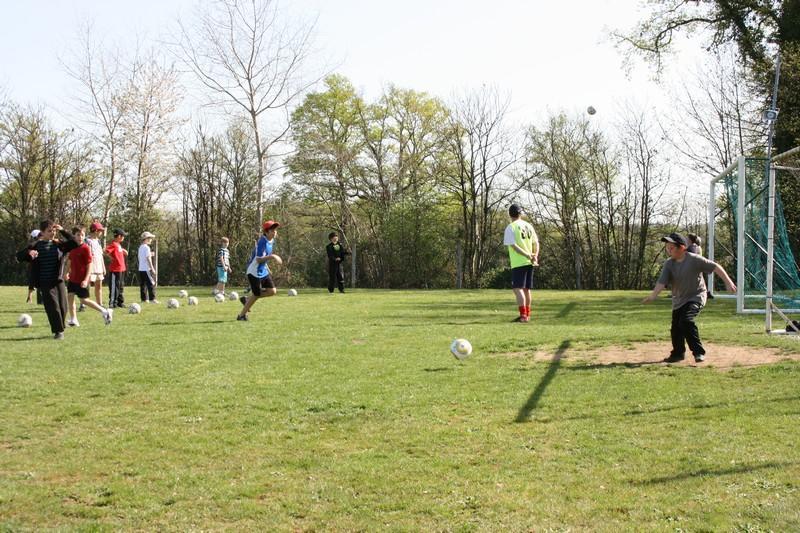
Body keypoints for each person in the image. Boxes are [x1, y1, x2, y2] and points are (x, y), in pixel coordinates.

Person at [642, 232, 736, 363]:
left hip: (696, 296)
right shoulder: (669, 264)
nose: (668, 250)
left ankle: (698, 352)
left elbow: (716, 267)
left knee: (686, 321)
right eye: (667, 247)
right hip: (679, 299)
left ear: (682, 247)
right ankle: (678, 354)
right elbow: (662, 282)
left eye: (671, 247)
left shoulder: (694, 259)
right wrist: (653, 296)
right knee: (676, 328)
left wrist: (729, 282)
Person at [15, 221, 81, 340]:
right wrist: (29, 252)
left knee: (63, 307)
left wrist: (63, 230)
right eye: (49, 231)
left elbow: (75, 243)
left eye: (54, 231)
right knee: (53, 307)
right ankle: (58, 332)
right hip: (45, 282)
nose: (52, 233)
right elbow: (18, 257)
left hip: (58, 281)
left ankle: (60, 327)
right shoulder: (36, 245)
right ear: (42, 232)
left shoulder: (58, 244)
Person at [65, 225, 113, 327]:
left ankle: (104, 311)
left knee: (84, 300)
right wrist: (66, 273)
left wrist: (86, 279)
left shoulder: (86, 248)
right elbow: (69, 261)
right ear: (74, 236)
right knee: (70, 297)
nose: (80, 237)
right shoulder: (72, 248)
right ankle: (74, 319)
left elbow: (89, 265)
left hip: (82, 280)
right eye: (78, 235)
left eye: (82, 235)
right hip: (72, 279)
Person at [237, 220, 282, 321]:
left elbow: (264, 257)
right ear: (266, 232)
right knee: (256, 294)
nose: (275, 232)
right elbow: (258, 259)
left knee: (272, 291)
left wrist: (267, 268)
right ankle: (241, 316)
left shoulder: (271, 241)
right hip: (254, 272)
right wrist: (273, 256)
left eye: (275, 230)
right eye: (272, 230)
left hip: (262, 271)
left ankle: (247, 299)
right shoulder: (262, 242)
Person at [503, 204, 539, 322]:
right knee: (526, 289)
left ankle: (523, 315)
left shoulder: (511, 227)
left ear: (510, 214)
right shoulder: (528, 225)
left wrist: (527, 255)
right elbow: (536, 243)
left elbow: (513, 246)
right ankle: (527, 315)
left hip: (519, 262)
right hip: (530, 262)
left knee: (517, 288)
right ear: (520, 213)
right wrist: (535, 255)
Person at [105, 228, 128, 308]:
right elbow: (106, 251)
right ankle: (113, 303)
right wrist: (111, 258)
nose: (123, 237)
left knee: (120, 287)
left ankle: (120, 302)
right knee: (115, 287)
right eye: (123, 236)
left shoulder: (118, 245)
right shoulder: (113, 244)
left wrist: (123, 250)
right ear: (119, 236)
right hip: (115, 270)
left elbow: (121, 252)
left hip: (121, 269)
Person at [85, 221, 107, 306]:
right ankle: (84, 303)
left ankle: (99, 303)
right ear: (96, 231)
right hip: (91, 267)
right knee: (87, 285)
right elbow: (87, 255)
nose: (101, 232)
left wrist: (103, 267)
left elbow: (100, 255)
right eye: (100, 230)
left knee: (99, 285)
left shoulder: (98, 241)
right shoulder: (87, 241)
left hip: (99, 267)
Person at [138, 231, 159, 304]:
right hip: (146, 269)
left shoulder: (141, 247)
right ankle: (152, 299)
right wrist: (152, 269)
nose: (151, 240)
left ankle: (143, 299)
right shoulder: (147, 248)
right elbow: (148, 259)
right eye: (150, 238)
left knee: (143, 285)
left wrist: (150, 254)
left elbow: (142, 257)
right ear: (146, 239)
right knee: (151, 283)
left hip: (141, 269)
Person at [24, 229, 42, 304]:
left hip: (36, 265)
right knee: (34, 282)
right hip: (35, 265)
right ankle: (31, 297)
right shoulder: (34, 245)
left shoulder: (34, 244)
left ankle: (30, 297)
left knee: (33, 281)